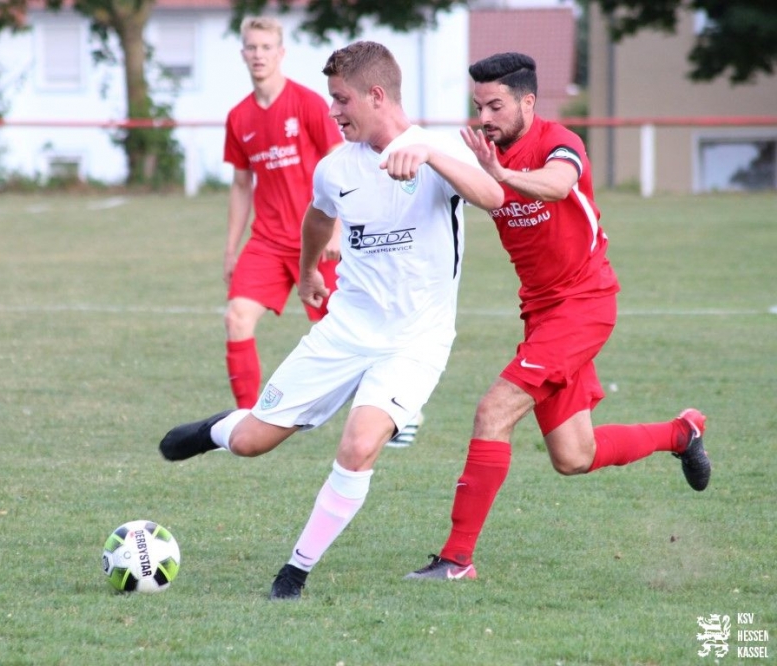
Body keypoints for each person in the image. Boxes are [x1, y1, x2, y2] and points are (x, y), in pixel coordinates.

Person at [160, 41, 504, 600]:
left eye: (342, 99)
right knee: (250, 442)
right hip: (346, 330)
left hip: (415, 341)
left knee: (359, 444)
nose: (333, 111)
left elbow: (493, 196)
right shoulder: (335, 168)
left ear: (376, 95)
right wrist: (305, 274)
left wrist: (430, 156)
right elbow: (318, 220)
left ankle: (293, 573)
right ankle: (219, 428)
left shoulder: (438, 150)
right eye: (331, 99)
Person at [405, 52, 712, 582]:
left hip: (585, 304)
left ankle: (456, 560)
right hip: (541, 314)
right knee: (574, 455)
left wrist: (501, 173)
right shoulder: (482, 152)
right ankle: (681, 434)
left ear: (528, 102)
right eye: (479, 106)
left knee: (493, 412)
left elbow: (559, 184)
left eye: (496, 106)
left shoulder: (559, 142)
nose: (485, 118)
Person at [223, 17, 423, 448]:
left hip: (318, 240)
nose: (258, 54)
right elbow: (241, 185)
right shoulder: (238, 117)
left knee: (354, 333)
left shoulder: (310, 104)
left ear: (281, 53)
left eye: (266, 47)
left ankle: (399, 405)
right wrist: (230, 248)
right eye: (251, 47)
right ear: (242, 53)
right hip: (267, 241)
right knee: (237, 317)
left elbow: (344, 162)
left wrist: (335, 230)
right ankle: (248, 418)